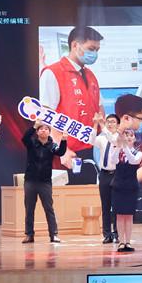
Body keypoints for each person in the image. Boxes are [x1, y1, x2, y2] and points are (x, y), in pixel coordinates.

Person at [39, 26, 104, 184]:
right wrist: (62, 151)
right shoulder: (53, 73)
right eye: (91, 48)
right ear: (75, 45)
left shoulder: (90, 75)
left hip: (88, 151)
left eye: (97, 50)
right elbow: (46, 117)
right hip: (65, 154)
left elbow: (99, 108)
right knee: (67, 198)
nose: (95, 54)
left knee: (90, 197)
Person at [21, 120, 67, 243]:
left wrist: (64, 140)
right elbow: (24, 138)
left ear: (49, 132)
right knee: (29, 209)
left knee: (49, 208)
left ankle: (54, 234)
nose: (43, 130)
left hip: (45, 182)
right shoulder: (31, 143)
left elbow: (61, 152)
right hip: (30, 181)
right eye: (41, 129)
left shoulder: (52, 146)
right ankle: (29, 234)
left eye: (46, 129)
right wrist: (33, 126)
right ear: (37, 132)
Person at [110, 129, 142, 252]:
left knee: (129, 215)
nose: (128, 138)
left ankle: (128, 242)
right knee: (119, 215)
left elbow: (133, 160)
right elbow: (113, 161)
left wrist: (125, 147)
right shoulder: (118, 151)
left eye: (131, 136)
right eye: (126, 136)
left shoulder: (138, 153)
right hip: (118, 186)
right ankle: (121, 241)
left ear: (134, 138)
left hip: (131, 186)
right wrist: (119, 146)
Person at [90, 113, 120, 244]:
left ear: (118, 125)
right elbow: (91, 140)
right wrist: (95, 124)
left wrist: (102, 126)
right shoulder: (102, 138)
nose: (110, 124)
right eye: (108, 122)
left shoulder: (119, 137)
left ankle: (117, 233)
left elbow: (112, 139)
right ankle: (107, 234)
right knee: (105, 205)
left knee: (117, 206)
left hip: (117, 174)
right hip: (104, 174)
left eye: (113, 122)